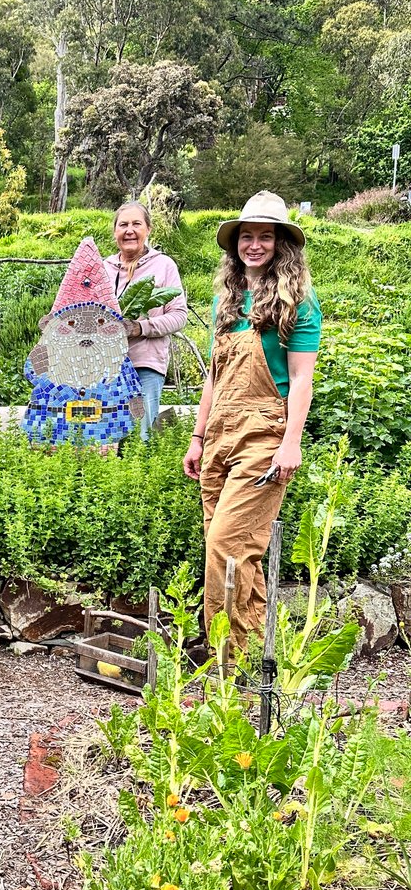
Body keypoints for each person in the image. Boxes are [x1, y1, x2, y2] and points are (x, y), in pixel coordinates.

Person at [182, 191, 321, 645]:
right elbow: (213, 377)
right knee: (237, 555)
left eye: (266, 236)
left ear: (282, 245)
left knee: (227, 546)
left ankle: (225, 665)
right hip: (219, 434)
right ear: (235, 244)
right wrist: (198, 437)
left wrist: (291, 443)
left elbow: (301, 379)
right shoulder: (228, 302)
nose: (255, 244)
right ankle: (249, 667)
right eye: (247, 236)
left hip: (265, 434)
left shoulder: (298, 303)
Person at [103, 201, 188, 439]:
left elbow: (179, 316)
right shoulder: (104, 268)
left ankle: (137, 475)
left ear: (148, 229)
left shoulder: (163, 265)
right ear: (115, 232)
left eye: (136, 224)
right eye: (123, 225)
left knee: (139, 435)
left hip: (145, 364)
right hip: (106, 367)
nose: (129, 230)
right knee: (106, 434)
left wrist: (141, 328)